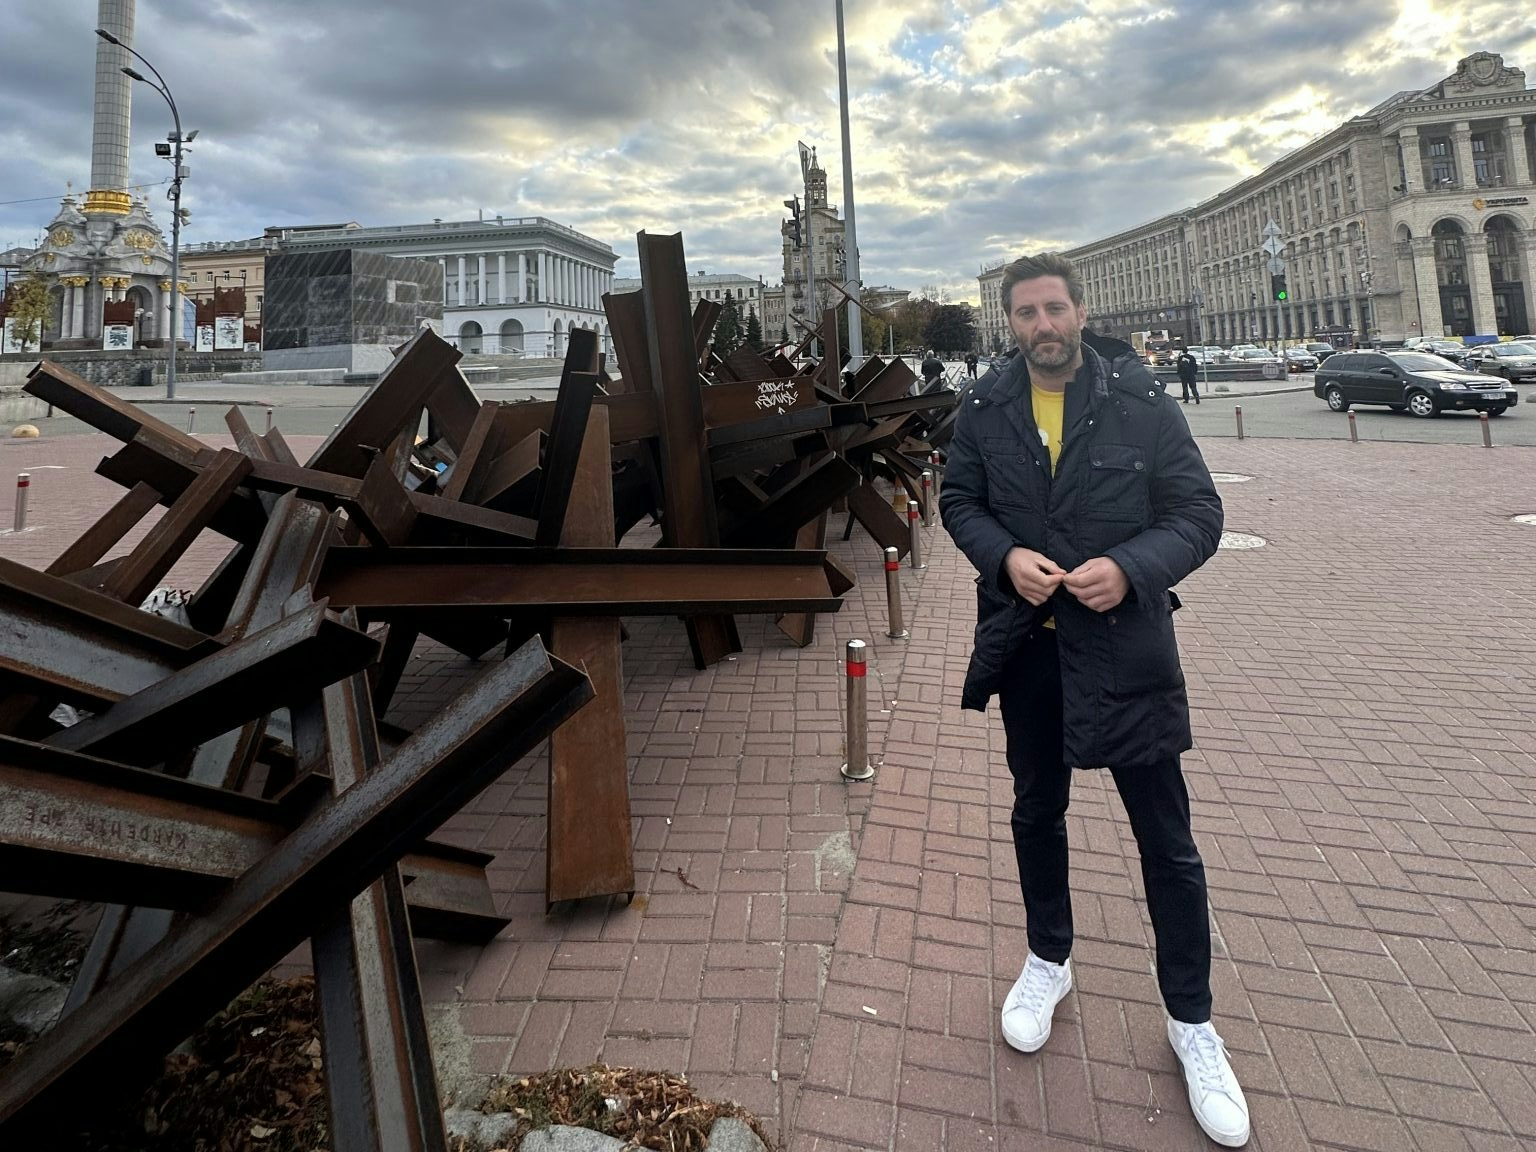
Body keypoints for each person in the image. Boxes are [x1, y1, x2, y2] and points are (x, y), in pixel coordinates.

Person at [939, 253, 1248, 1148]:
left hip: (1125, 649)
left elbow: (1197, 513)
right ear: (1010, 324)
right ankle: (1049, 958)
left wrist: (1131, 567)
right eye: (1026, 313)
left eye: (1054, 308)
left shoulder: (1141, 401)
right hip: (1028, 649)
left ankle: (1193, 1021)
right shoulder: (987, 406)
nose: (1043, 325)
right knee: (1037, 812)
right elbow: (959, 500)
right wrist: (1001, 556)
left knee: (1167, 839)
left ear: (1080, 311)